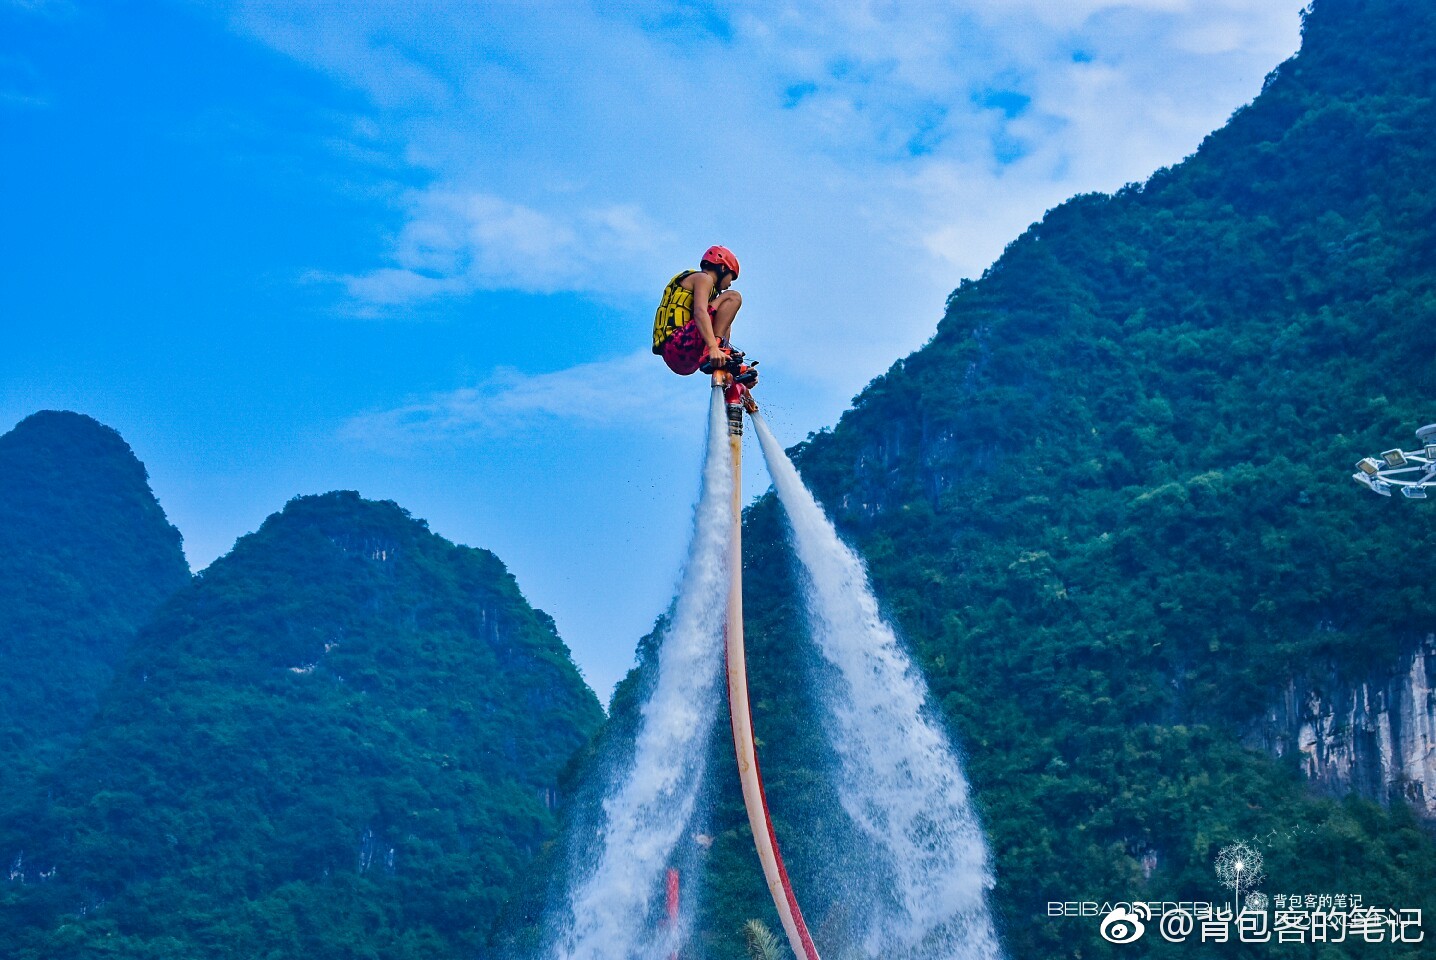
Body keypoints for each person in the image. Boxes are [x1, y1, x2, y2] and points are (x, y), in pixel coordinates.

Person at [652, 245, 746, 380]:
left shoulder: (710, 294)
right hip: (678, 342)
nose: (730, 283)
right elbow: (700, 312)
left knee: (723, 315)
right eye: (731, 278)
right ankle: (717, 348)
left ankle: (729, 366)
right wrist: (713, 347)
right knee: (733, 297)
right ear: (723, 268)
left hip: (679, 357)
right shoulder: (703, 278)